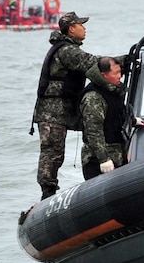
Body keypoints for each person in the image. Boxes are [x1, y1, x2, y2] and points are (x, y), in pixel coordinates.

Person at [31, 11, 111, 200]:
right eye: (81, 25)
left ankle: (97, 169)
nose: (85, 28)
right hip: (52, 112)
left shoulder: (67, 48)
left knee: (90, 133)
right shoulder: (67, 51)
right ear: (71, 28)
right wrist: (119, 62)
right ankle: (47, 193)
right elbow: (92, 62)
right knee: (52, 152)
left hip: (62, 109)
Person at [79, 56, 128, 180]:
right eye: (115, 73)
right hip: (98, 160)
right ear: (103, 75)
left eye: (120, 72)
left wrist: (132, 121)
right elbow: (93, 131)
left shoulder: (114, 91)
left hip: (117, 155)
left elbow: (117, 113)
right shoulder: (93, 97)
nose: (119, 76)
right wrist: (104, 159)